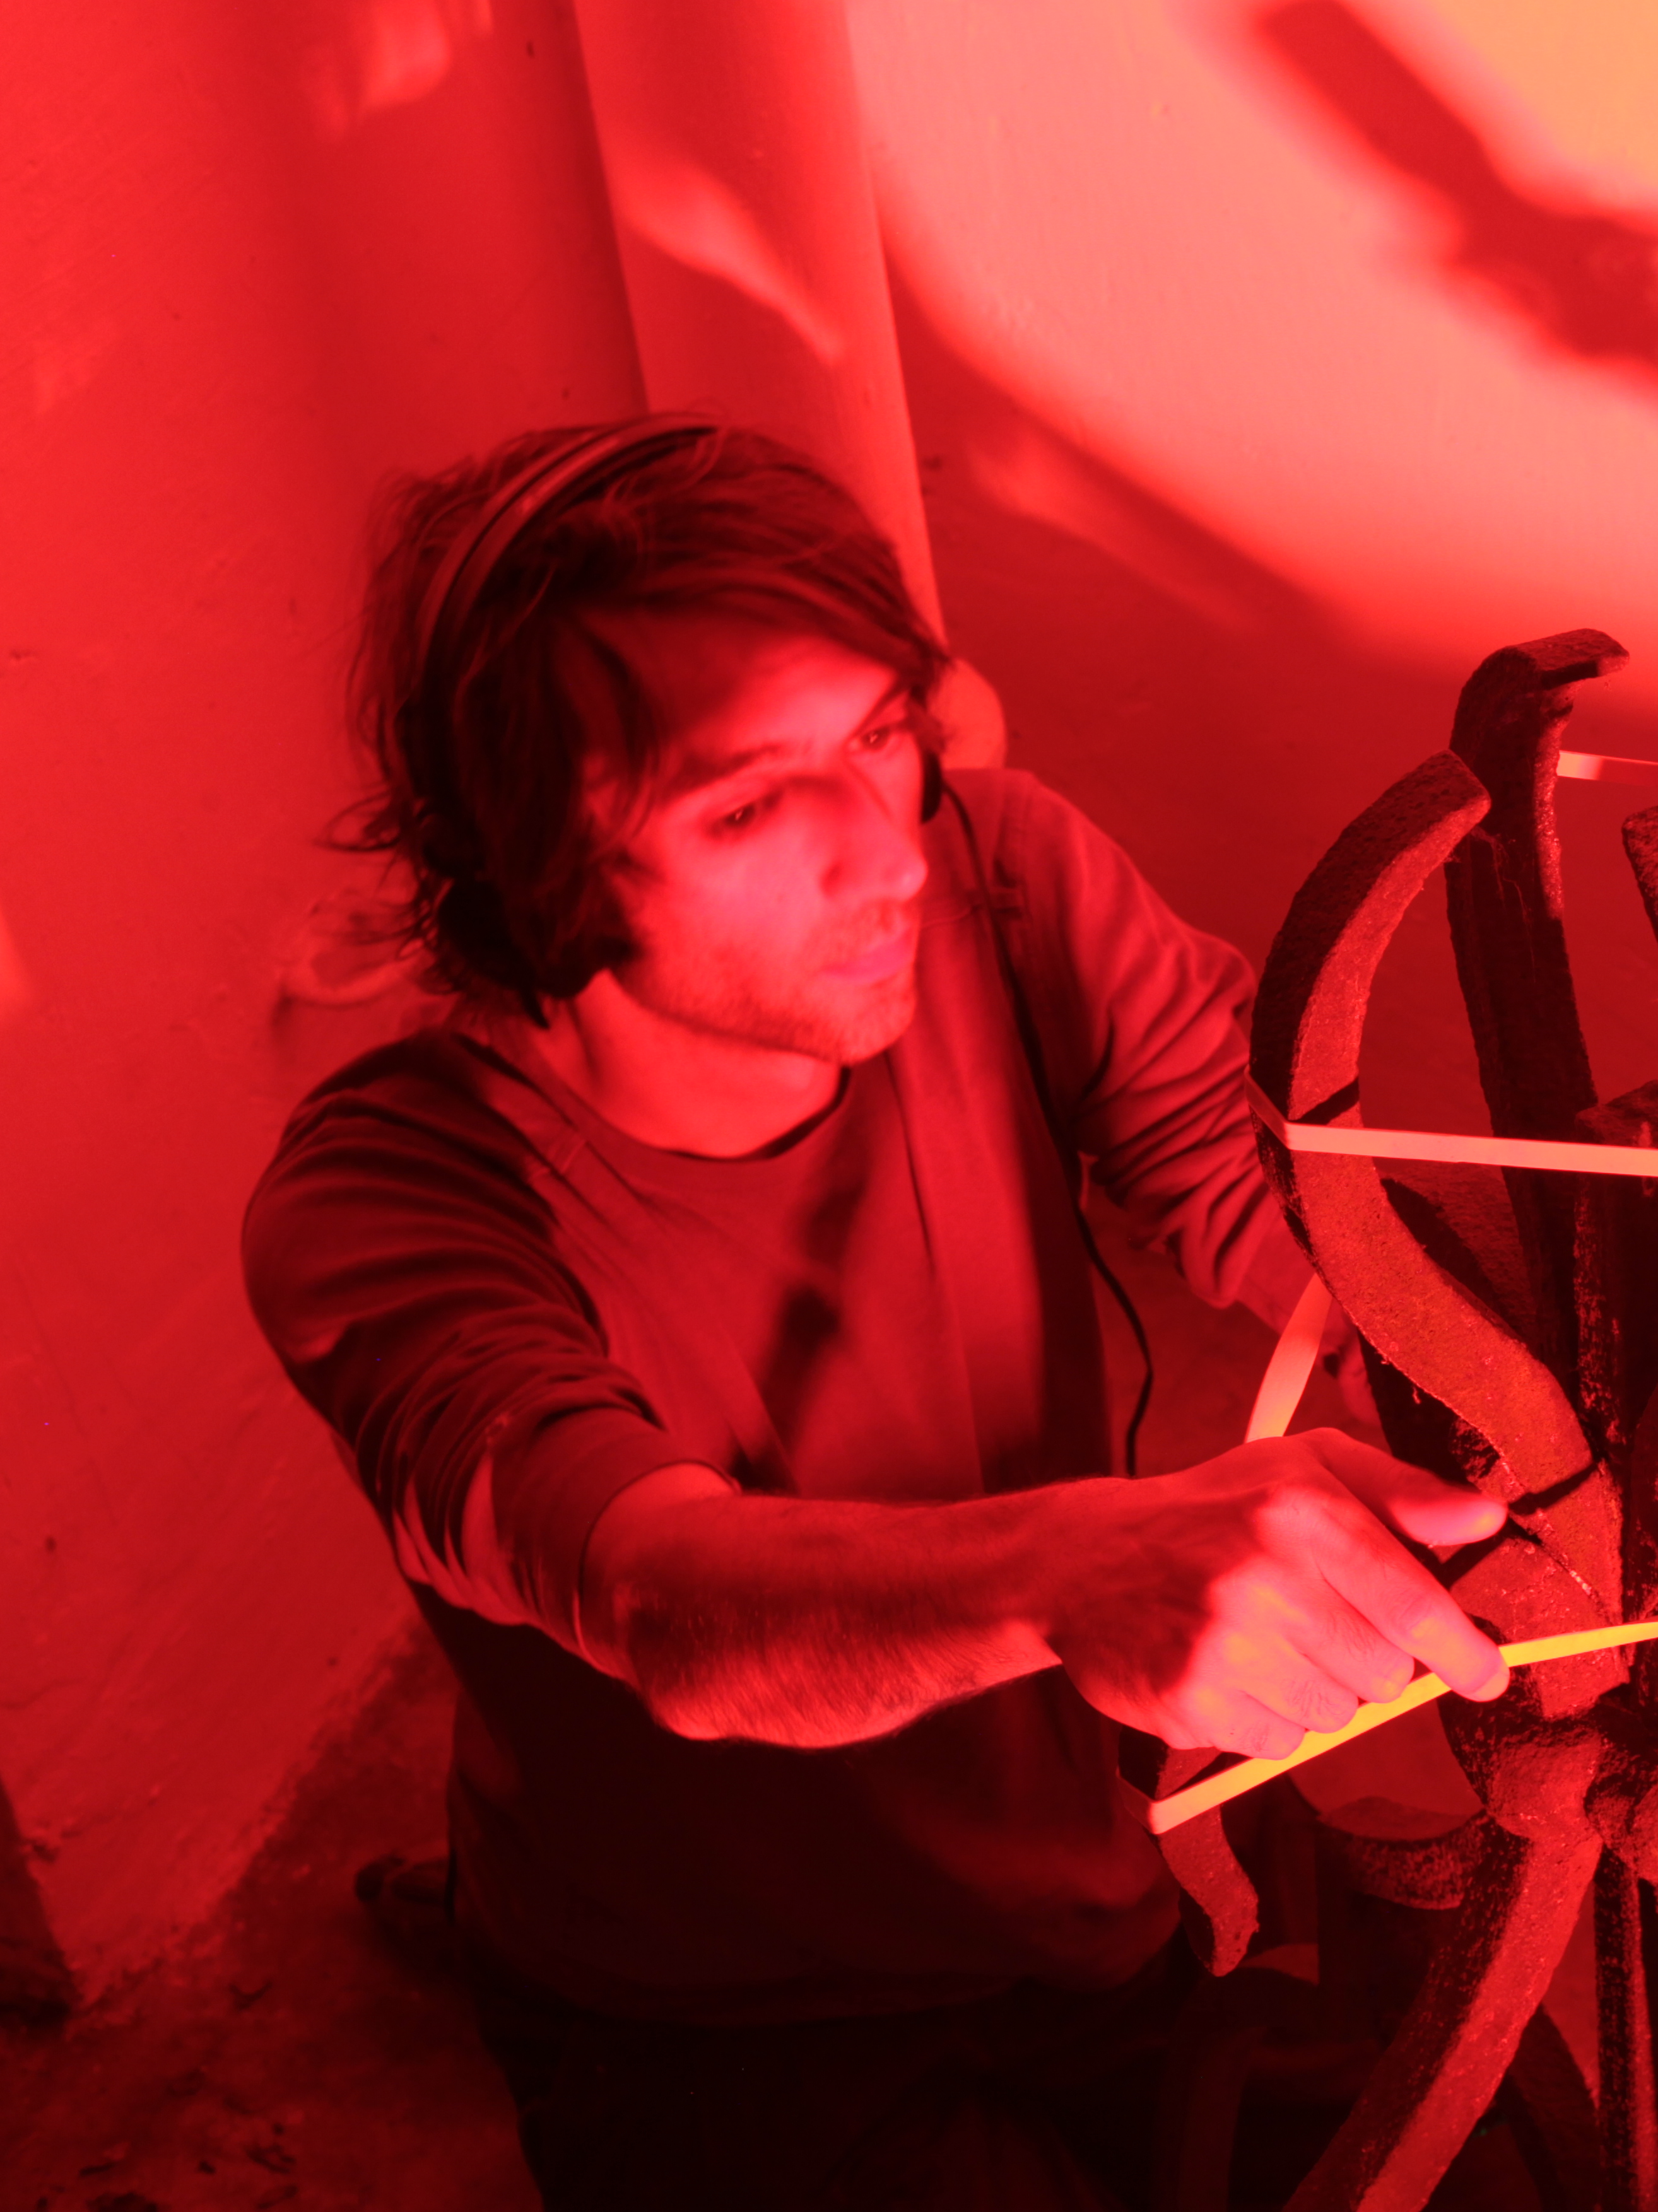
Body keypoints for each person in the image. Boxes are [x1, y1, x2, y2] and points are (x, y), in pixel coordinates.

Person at [242, 416, 1508, 2209]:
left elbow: (1275, 1200)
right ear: (533, 872)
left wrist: (1503, 1362)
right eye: (749, 805)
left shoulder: (1005, 877)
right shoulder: (394, 1207)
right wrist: (1073, 1569)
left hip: (1079, 1891)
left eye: (878, 736)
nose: (887, 854)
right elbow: (664, 1603)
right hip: (713, 2009)